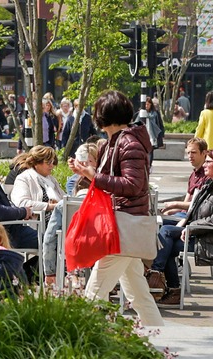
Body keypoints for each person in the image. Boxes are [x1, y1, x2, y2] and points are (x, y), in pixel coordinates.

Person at [66, 90, 164, 327]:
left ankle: (77, 341)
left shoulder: (127, 142)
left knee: (93, 293)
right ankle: (161, 338)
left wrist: (93, 175)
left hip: (122, 226)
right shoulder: (117, 141)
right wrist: (86, 173)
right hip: (122, 224)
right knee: (138, 295)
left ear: (103, 115)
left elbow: (133, 185)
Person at [149, 147, 213, 305]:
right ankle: (166, 285)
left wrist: (191, 226)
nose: (205, 165)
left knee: (165, 234)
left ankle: (155, 278)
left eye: (208, 162)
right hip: (205, 233)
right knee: (161, 228)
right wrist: (185, 221)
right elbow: (198, 209)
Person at [10, 145, 65, 285]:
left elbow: (64, 199)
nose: (52, 166)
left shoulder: (50, 179)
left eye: (54, 162)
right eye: (49, 162)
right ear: (36, 162)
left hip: (54, 224)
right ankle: (27, 275)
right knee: (65, 243)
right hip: (36, 226)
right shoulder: (24, 178)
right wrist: (49, 206)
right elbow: (22, 202)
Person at [158, 138, 209, 221]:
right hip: (185, 213)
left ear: (204, 153)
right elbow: (185, 202)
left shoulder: (208, 175)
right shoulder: (193, 175)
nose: (190, 156)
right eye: (188, 152)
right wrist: (171, 211)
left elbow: (199, 204)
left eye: (193, 152)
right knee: (160, 218)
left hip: (194, 217)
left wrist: (174, 205)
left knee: (162, 224)